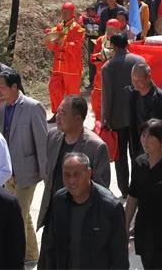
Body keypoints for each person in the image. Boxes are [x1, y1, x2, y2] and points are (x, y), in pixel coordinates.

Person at [0, 70, 49, 263]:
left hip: (26, 171)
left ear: (14, 87)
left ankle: (20, 256)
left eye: (2, 87)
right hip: (6, 171)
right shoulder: (0, 107)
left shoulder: (32, 107)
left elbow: (41, 142)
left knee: (18, 214)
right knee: (22, 213)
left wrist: (46, 174)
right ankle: (31, 254)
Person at [39, 153, 129, 270]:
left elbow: (119, 258)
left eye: (76, 175)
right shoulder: (59, 200)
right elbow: (50, 245)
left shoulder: (110, 207)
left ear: (89, 173)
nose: (71, 181)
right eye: (67, 175)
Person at [38, 95, 111, 236]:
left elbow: (102, 189)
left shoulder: (96, 147)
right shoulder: (53, 137)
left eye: (63, 113)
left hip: (80, 220)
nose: (57, 117)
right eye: (57, 112)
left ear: (78, 118)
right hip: (53, 214)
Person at [125, 120, 162, 269]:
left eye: (150, 137)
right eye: (143, 135)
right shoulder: (139, 163)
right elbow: (133, 197)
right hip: (144, 230)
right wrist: (124, 226)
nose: (145, 140)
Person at [102, 32, 145, 195]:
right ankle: (138, 185)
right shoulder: (139, 61)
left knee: (120, 157)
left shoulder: (108, 66)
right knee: (138, 153)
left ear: (113, 46)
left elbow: (107, 96)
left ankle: (124, 189)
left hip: (117, 119)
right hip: (138, 117)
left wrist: (105, 118)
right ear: (127, 44)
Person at [45, 2, 86, 118]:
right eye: (62, 11)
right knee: (54, 88)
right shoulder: (58, 27)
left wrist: (64, 44)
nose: (63, 14)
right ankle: (57, 114)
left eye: (66, 12)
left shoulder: (78, 29)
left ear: (72, 13)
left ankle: (75, 116)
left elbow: (76, 47)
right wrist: (49, 39)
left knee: (72, 94)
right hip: (57, 66)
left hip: (71, 66)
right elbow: (51, 46)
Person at [128, 62, 162, 161]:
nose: (134, 83)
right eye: (133, 79)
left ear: (148, 77)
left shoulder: (161, 98)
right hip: (137, 146)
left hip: (156, 147)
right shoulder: (133, 95)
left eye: (138, 80)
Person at [90, 18, 123, 128]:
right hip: (99, 80)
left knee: (112, 105)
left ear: (118, 31)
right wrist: (100, 57)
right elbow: (92, 58)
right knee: (97, 104)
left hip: (114, 81)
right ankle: (98, 126)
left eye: (112, 29)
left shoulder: (121, 42)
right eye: (108, 29)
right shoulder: (100, 40)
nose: (109, 32)